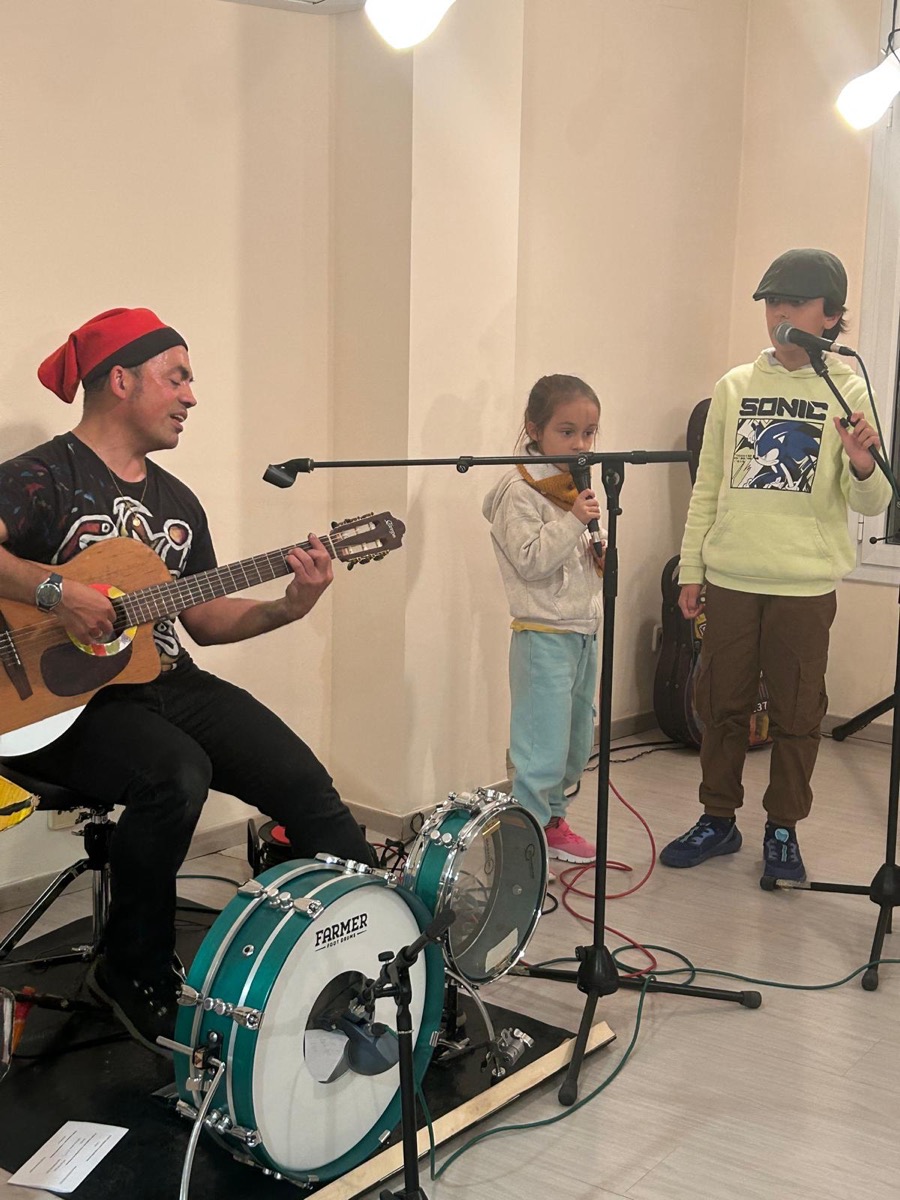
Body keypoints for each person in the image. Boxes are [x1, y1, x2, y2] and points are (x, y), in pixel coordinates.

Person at [0, 307, 374, 1052]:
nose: (191, 396)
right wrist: (57, 592)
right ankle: (131, 967)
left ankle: (371, 952)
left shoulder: (177, 502)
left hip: (162, 675)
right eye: (177, 378)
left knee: (304, 784)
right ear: (121, 380)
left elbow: (202, 618)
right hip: (47, 704)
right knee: (175, 774)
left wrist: (288, 606)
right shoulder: (41, 476)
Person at [659, 249, 893, 882]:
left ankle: (783, 828)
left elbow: (872, 500)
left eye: (795, 302)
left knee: (797, 712)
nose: (779, 313)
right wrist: (691, 569)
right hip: (731, 577)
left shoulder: (849, 389)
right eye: (772, 302)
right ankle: (718, 818)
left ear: (831, 315)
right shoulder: (734, 386)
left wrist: (863, 464)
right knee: (721, 704)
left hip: (805, 585)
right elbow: (708, 484)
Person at [483, 374, 605, 864]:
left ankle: (552, 822)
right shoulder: (519, 491)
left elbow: (571, 556)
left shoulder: (573, 484)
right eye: (567, 431)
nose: (580, 444)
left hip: (582, 630)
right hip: (543, 634)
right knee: (541, 747)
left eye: (589, 433)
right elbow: (532, 561)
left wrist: (595, 550)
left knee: (575, 741)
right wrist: (574, 521)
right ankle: (523, 846)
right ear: (534, 429)